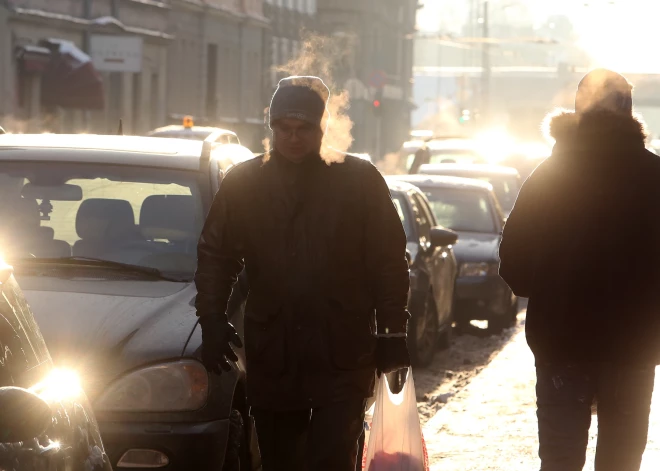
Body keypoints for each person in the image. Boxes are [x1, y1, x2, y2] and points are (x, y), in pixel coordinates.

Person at [195, 75, 411, 471]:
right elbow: (216, 254)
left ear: (321, 128)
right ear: (272, 128)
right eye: (284, 129)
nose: (293, 138)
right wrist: (210, 316)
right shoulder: (245, 182)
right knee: (280, 457)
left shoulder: (358, 180)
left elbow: (388, 260)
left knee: (333, 455)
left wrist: (392, 331)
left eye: (303, 129)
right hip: (274, 345)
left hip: (342, 344)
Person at [499, 68, 660, 471]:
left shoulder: (548, 177)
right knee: (622, 462)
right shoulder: (654, 177)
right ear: (629, 112)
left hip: (561, 344)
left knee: (559, 459)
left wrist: (557, 288)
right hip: (634, 346)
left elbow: (515, 266)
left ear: (578, 109)